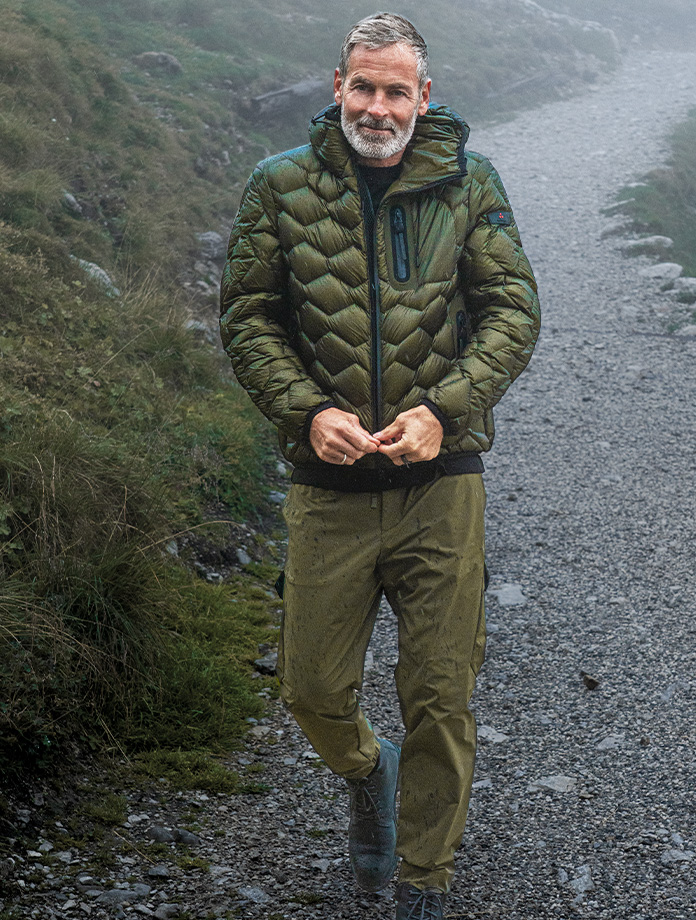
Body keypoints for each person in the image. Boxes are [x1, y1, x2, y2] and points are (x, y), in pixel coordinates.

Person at [219, 12, 540, 919]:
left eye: (396, 90)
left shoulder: (471, 182)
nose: (377, 106)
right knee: (312, 691)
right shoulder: (278, 184)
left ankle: (424, 881)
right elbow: (248, 318)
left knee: (441, 695)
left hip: (443, 483)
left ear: (423, 97)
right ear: (338, 86)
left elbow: (513, 311)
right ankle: (369, 770)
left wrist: (443, 413)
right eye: (363, 86)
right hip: (330, 489)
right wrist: (306, 411)